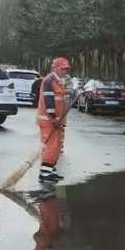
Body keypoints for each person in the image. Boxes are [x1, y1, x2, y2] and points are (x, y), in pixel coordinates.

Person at [37, 57, 71, 185]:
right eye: (63, 69)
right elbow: (49, 101)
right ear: (55, 68)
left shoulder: (58, 81)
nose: (65, 71)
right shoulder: (49, 81)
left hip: (56, 121)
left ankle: (51, 171)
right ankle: (44, 173)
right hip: (49, 121)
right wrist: (55, 117)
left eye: (66, 69)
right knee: (50, 147)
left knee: (56, 147)